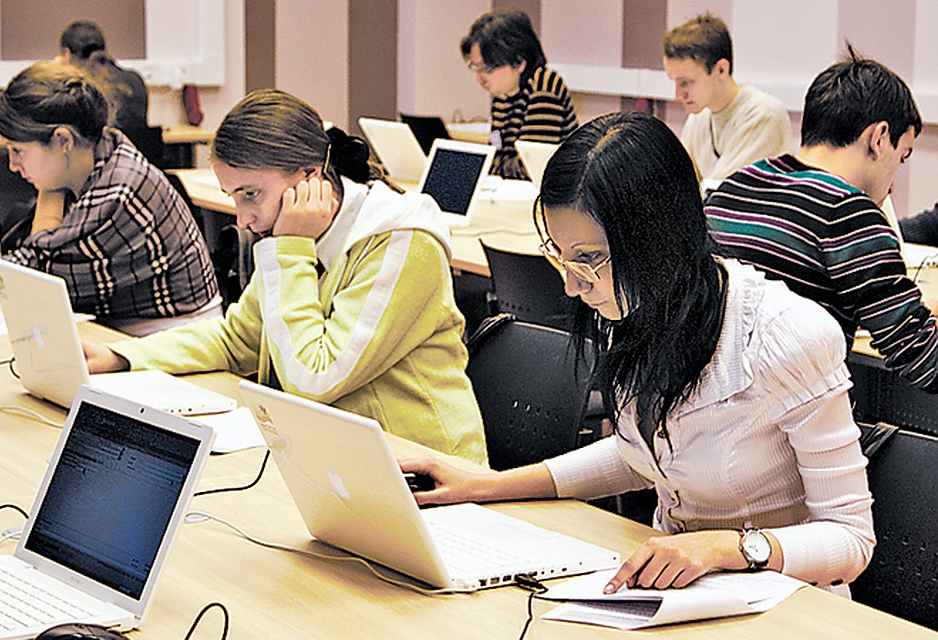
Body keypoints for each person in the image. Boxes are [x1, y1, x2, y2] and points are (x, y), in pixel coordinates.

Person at [401, 112, 874, 594]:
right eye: (561, 256)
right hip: (677, 593)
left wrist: (726, 548)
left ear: (658, 237)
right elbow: (640, 455)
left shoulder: (784, 335)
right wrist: (487, 485)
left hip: (784, 604)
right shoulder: (633, 307)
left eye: (588, 259)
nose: (571, 286)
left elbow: (852, 541)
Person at [83, 89, 489, 466]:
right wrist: (123, 357)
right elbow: (237, 340)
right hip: (336, 457)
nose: (243, 219)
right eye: (234, 197)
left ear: (310, 177)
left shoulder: (401, 240)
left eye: (251, 194)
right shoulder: (292, 238)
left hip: (426, 469)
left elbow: (315, 379)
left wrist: (291, 249)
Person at [704, 51, 938, 392]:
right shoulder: (850, 214)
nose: (892, 184)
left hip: (711, 409)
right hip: (796, 416)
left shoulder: (733, 188)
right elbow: (924, 360)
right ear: (879, 137)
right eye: (901, 157)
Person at [0, 62, 219, 336]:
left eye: (18, 150)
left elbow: (35, 277)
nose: (12, 165)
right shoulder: (101, 151)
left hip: (176, 336)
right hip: (126, 325)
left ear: (63, 140)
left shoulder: (117, 197)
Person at [663, 13, 793, 192]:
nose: (678, 94)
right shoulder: (698, 119)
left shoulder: (764, 115)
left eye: (686, 82)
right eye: (674, 81)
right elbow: (679, 186)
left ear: (721, 70)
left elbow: (722, 195)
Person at [460, 8, 577, 179]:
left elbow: (529, 167)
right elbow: (496, 152)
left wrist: (488, 164)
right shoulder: (502, 95)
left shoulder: (544, 86)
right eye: (476, 67)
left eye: (486, 68)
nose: (478, 79)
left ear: (519, 62)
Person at [58, 20, 148, 134]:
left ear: (66, 54)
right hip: (135, 145)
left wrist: (56, 71)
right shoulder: (135, 81)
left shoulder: (76, 88)